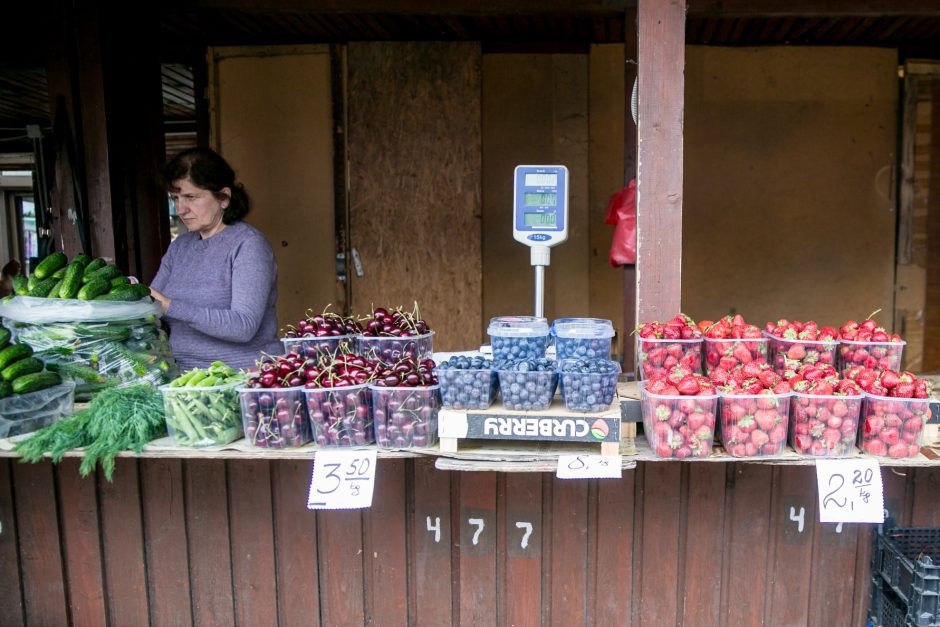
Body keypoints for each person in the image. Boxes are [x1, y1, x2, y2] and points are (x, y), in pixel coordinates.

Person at [150, 147, 280, 371]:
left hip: (242, 379)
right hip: (183, 381)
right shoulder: (179, 248)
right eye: (175, 198)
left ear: (224, 198)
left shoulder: (248, 245)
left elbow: (243, 326)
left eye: (191, 197)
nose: (181, 209)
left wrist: (170, 306)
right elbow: (151, 308)